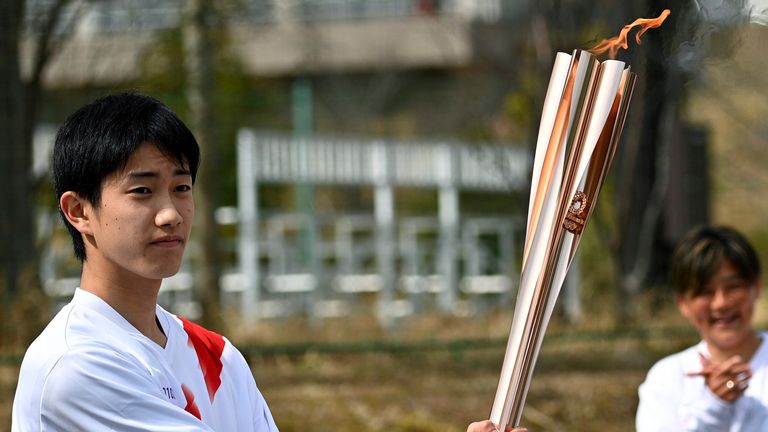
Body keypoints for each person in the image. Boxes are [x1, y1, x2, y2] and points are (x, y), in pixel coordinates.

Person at [11, 92, 523, 432]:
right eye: (142, 191)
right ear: (80, 212)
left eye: (182, 188)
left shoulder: (216, 357)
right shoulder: (77, 367)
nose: (170, 213)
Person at [636, 225, 768, 431]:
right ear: (683, 303)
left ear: (756, 288)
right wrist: (712, 406)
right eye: (704, 292)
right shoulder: (668, 378)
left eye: (733, 287)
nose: (721, 303)